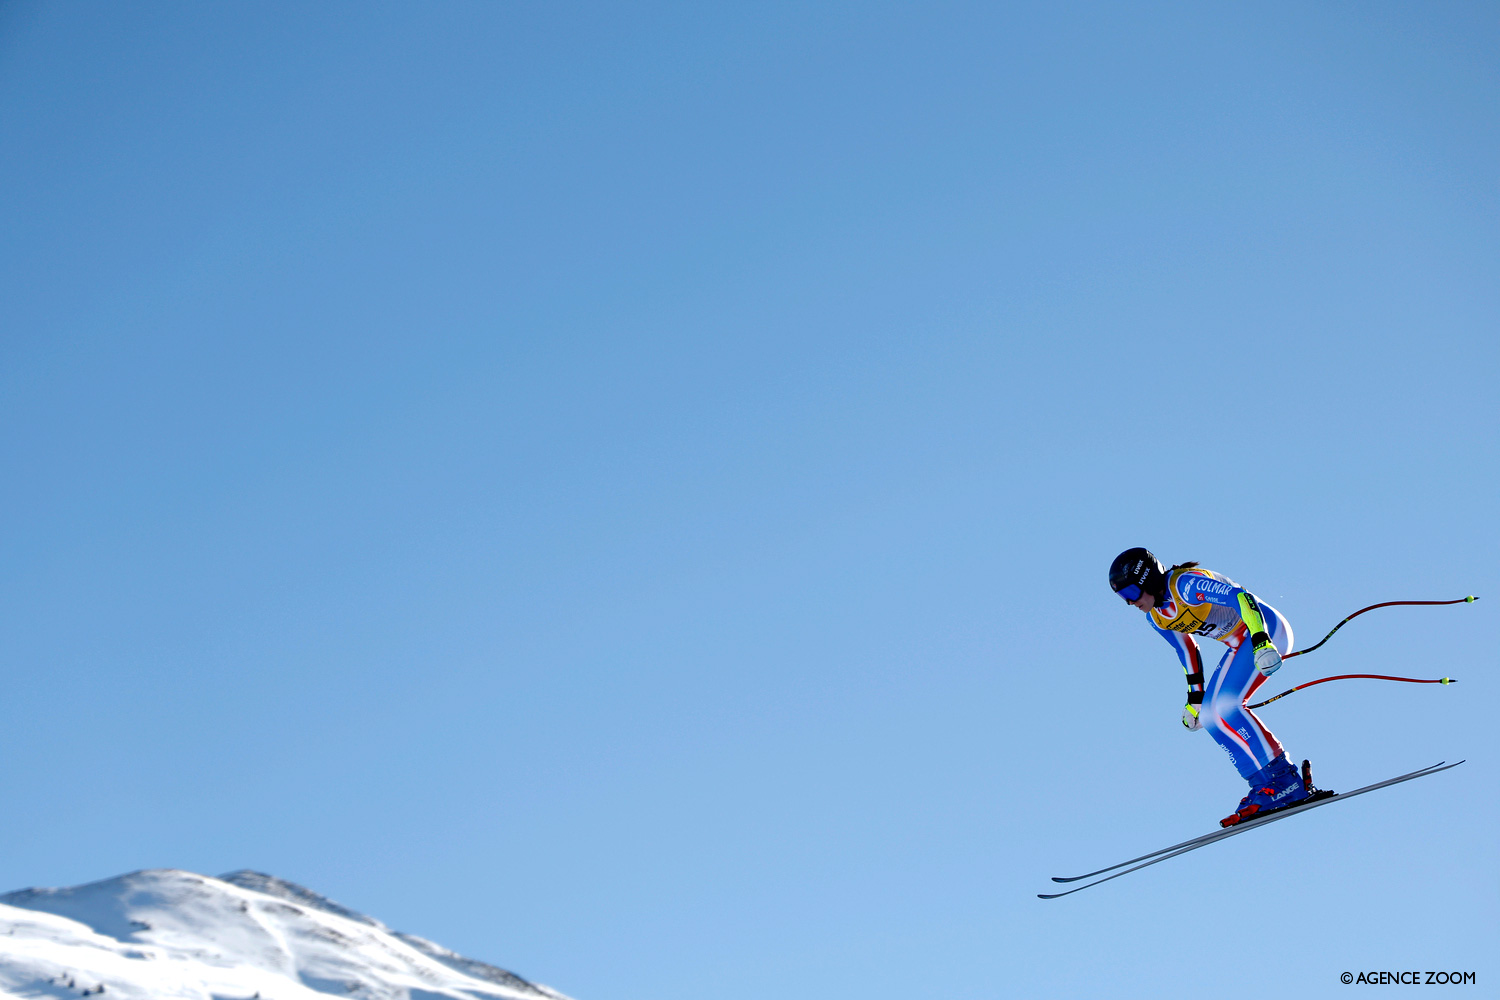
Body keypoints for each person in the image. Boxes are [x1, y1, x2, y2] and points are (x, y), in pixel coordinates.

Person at [1108, 547, 1311, 827]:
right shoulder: (1157, 617)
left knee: (1227, 706)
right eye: (1123, 598)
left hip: (1265, 630)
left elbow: (1241, 597)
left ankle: (1285, 779)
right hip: (1238, 644)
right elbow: (1186, 650)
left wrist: (1261, 640)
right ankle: (1263, 785)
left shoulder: (1185, 585)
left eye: (1131, 593)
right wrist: (1195, 698)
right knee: (1209, 715)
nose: (1130, 603)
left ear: (1148, 580)